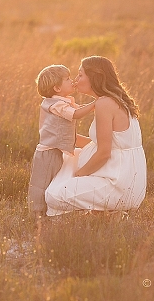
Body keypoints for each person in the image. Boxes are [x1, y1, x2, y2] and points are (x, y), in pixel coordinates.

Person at [44, 56, 147, 216]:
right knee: (72, 156)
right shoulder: (114, 100)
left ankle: (100, 213)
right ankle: (99, 213)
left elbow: (104, 153)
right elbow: (101, 145)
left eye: (80, 75)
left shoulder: (104, 104)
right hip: (127, 183)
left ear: (94, 77)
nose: (76, 80)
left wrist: (79, 175)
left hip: (119, 186)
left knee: (53, 196)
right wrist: (65, 136)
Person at [27, 64, 95, 218]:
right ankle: (37, 214)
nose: (72, 81)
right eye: (67, 79)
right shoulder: (55, 104)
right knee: (41, 183)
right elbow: (76, 114)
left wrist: (93, 107)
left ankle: (49, 211)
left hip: (55, 149)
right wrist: (94, 105)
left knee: (53, 180)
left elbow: (77, 109)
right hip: (48, 151)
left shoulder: (63, 101)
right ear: (57, 88)